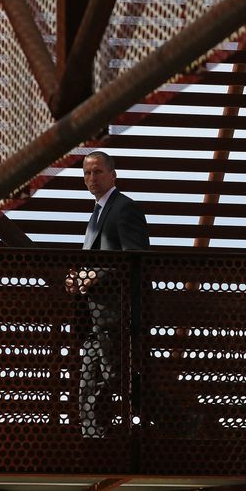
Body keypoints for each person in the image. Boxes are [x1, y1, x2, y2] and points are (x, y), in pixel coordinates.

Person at [65, 151, 150, 438]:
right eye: (87, 173)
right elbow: (98, 261)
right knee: (90, 381)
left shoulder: (124, 209)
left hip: (117, 317)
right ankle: (93, 441)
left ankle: (177, 417)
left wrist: (94, 274)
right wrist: (77, 279)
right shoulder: (98, 212)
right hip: (95, 317)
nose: (92, 178)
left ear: (113, 175)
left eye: (98, 172)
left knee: (117, 378)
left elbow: (135, 257)